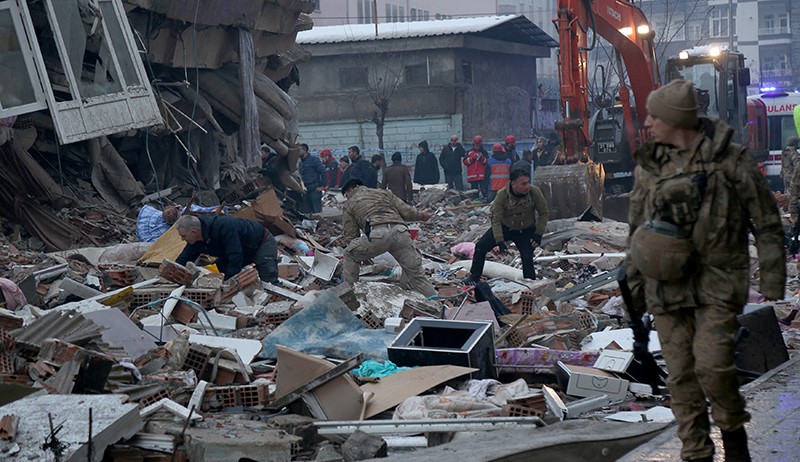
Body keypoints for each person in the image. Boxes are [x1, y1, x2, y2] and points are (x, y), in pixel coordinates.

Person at [626, 80, 785, 462]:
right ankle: (695, 452)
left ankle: (733, 437)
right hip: (667, 286)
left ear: (676, 120)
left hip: (719, 281)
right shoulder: (651, 165)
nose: (647, 122)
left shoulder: (731, 159)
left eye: (654, 115)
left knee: (714, 368)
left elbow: (765, 220)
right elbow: (638, 230)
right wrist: (634, 288)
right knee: (680, 378)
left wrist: (772, 278)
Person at [340, 179, 436, 296]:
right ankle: (436, 304)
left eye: (346, 195)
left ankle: (350, 298)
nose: (347, 198)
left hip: (377, 235)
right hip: (401, 232)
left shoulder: (349, 204)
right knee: (417, 274)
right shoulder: (383, 193)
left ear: (350, 190)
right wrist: (422, 215)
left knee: (349, 254)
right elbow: (406, 211)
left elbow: (351, 236)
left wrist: (361, 253)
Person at [463, 169, 548, 284]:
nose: (527, 186)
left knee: (527, 258)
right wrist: (499, 240)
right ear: (513, 184)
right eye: (523, 184)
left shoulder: (534, 192)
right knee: (480, 247)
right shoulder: (502, 195)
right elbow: (496, 219)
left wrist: (538, 234)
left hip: (525, 230)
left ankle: (530, 283)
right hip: (505, 227)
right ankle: (474, 277)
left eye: (528, 182)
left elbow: (544, 213)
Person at [175, 214, 279, 283]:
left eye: (183, 236)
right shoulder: (195, 240)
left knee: (268, 278)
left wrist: (228, 282)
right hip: (239, 250)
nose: (182, 239)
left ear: (194, 232)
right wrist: (172, 271)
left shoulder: (224, 227)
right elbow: (185, 257)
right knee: (213, 273)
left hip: (262, 242)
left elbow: (235, 255)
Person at [298, 143, 327, 213]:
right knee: (309, 213)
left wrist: (322, 186)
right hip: (306, 192)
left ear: (304, 150)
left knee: (317, 213)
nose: (297, 152)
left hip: (315, 190)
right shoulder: (301, 163)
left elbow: (323, 172)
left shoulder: (314, 160)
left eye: (299, 150)